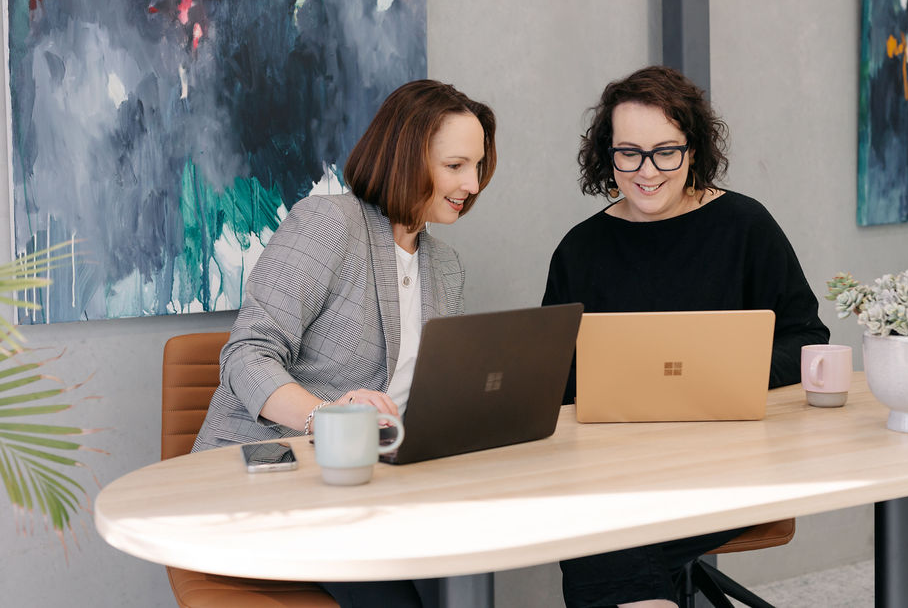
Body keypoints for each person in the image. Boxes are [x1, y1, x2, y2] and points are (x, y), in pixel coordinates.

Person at [193, 79, 497, 608]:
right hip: (279, 479)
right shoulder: (328, 224)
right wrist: (328, 419)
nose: (471, 184)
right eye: (455, 165)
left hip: (375, 487)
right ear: (406, 157)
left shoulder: (445, 267)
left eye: (478, 166)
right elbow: (247, 354)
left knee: (467, 567)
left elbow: (431, 395)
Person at [542, 65, 829, 608]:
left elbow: (806, 338)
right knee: (602, 526)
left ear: (692, 151)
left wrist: (724, 376)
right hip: (614, 470)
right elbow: (554, 380)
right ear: (608, 155)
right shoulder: (580, 250)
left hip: (732, 464)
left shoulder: (745, 226)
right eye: (629, 153)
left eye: (666, 152)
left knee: (603, 540)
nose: (647, 171)